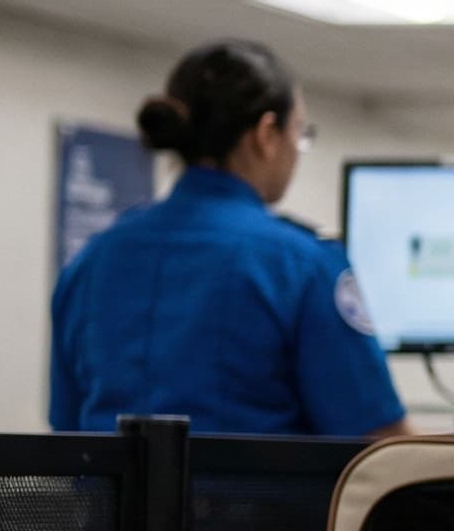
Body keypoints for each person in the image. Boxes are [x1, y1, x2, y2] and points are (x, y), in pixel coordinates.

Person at [49, 39, 410, 439]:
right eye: (299, 133)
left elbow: (68, 429)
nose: (297, 149)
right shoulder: (301, 265)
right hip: (264, 503)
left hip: (108, 505)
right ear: (266, 133)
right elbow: (378, 438)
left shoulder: (93, 260)